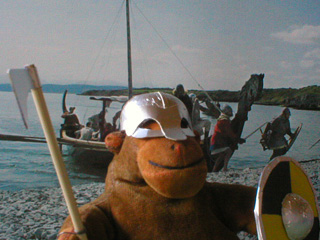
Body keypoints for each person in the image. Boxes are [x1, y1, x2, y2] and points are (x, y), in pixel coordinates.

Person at [210, 104, 245, 171]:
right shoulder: (224, 121)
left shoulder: (222, 119)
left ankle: (214, 169)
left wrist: (237, 139)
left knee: (222, 155)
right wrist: (238, 139)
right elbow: (229, 132)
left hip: (217, 140)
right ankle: (225, 168)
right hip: (218, 140)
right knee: (228, 151)